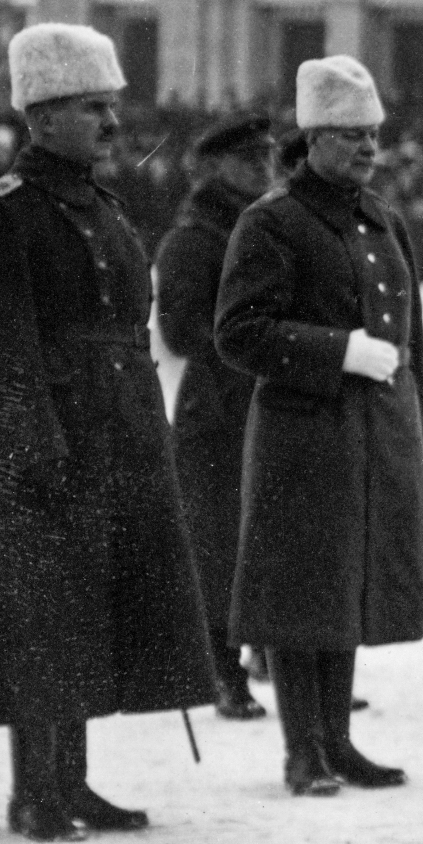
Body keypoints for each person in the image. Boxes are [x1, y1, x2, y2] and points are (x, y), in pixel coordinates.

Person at [0, 23, 213, 838]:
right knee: (41, 616)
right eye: (91, 107)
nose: (111, 123)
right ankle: (37, 791)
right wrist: (39, 445)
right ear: (41, 115)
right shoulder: (7, 213)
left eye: (112, 105)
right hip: (47, 445)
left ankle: (75, 780)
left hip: (119, 435)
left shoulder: (105, 207)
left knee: (91, 606)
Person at [215, 57, 423, 796]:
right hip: (301, 431)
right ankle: (301, 749)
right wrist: (336, 349)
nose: (369, 148)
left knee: (348, 583)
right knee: (298, 590)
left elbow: (414, 336)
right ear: (312, 138)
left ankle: (337, 740)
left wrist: (419, 423)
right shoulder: (272, 220)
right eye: (350, 134)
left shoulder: (384, 219)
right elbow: (238, 331)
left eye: (373, 133)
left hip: (375, 431)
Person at [155, 114, 278, 720]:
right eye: (249, 160)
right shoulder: (195, 237)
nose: (263, 169)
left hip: (276, 401)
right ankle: (224, 674)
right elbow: (179, 333)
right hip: (218, 411)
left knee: (278, 538)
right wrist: (249, 344)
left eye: (268, 158)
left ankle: (279, 659)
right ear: (216, 166)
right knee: (221, 547)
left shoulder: (276, 223)